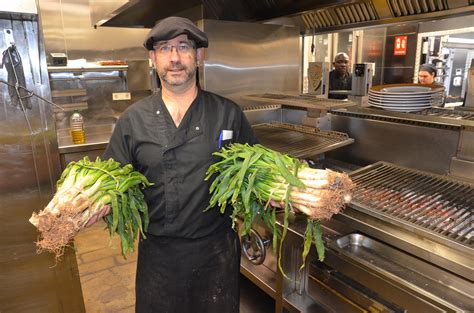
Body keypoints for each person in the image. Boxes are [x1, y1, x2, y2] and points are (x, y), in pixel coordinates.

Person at [90, 16, 258, 313]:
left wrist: (275, 195)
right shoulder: (133, 120)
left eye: (183, 46)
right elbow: (111, 181)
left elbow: (255, 176)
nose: (175, 57)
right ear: (153, 59)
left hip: (216, 254)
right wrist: (100, 203)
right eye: (165, 48)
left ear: (199, 56)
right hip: (159, 258)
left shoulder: (228, 114)